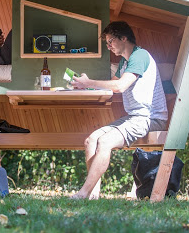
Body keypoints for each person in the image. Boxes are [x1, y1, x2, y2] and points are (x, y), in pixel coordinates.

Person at [70, 21, 168, 199]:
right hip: (135, 117)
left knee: (105, 141)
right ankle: (93, 194)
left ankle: (83, 193)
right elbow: (111, 87)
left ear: (124, 38)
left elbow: (120, 86)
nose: (108, 46)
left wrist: (89, 82)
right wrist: (84, 87)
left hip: (150, 117)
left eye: (111, 41)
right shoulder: (125, 61)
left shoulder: (140, 56)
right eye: (107, 43)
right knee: (91, 140)